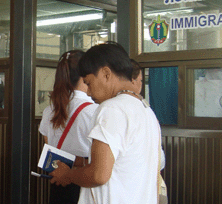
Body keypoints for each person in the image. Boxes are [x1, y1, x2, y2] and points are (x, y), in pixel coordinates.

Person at [49, 43, 164, 204]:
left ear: (106, 73)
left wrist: (67, 175)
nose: (88, 92)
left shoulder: (111, 108)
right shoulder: (146, 110)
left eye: (89, 83)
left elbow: (98, 175)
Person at [39, 50, 99, 204]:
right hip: (84, 185)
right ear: (84, 75)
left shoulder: (49, 110)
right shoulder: (94, 112)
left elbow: (50, 149)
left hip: (57, 182)